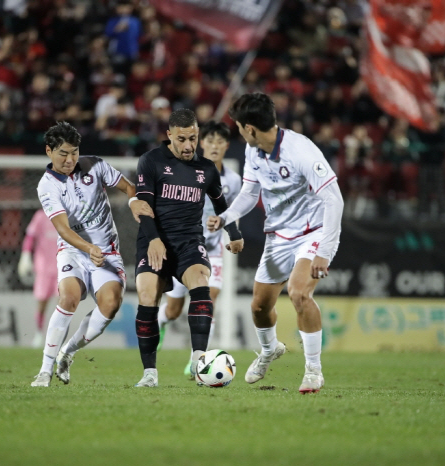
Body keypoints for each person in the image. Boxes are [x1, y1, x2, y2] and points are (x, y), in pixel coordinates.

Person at [208, 92, 344, 393]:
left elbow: (334, 198)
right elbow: (249, 193)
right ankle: (269, 350)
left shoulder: (301, 151)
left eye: (240, 128)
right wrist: (226, 216)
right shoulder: (253, 152)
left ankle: (313, 370)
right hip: (278, 236)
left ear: (251, 129)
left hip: (313, 232)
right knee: (259, 307)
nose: (240, 133)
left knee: (298, 294)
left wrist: (323, 250)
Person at [30, 121, 153, 387]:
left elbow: (129, 188)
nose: (70, 158)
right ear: (49, 151)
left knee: (111, 303)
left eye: (74, 152)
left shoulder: (95, 164)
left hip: (107, 251)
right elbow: (62, 229)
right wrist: (88, 248)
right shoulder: (46, 186)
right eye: (63, 153)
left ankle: (68, 352)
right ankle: (44, 370)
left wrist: (133, 202)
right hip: (73, 251)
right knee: (69, 298)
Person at [133, 109, 244, 387]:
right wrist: (154, 240)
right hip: (153, 241)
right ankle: (149, 374)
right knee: (148, 296)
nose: (187, 145)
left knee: (201, 283)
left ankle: (198, 360)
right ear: (169, 135)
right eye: (181, 139)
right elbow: (144, 207)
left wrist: (234, 233)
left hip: (189, 242)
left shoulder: (206, 169)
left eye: (192, 138)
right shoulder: (151, 161)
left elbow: (222, 206)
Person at [18, 209, 59, 348]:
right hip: (43, 267)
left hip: (63, 267)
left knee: (63, 304)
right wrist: (25, 255)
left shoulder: (68, 215)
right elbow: (30, 236)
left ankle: (57, 336)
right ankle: (39, 334)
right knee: (42, 303)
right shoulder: (41, 216)